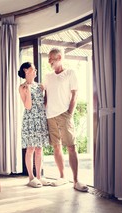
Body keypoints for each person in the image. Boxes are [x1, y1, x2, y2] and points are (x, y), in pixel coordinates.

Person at [43, 48, 88, 192]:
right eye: (49, 59)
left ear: (59, 57)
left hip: (64, 114)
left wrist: (69, 113)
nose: (49, 61)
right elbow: (45, 96)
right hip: (50, 115)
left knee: (71, 146)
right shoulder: (48, 76)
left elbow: (75, 95)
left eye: (52, 58)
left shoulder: (70, 73)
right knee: (56, 146)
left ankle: (76, 180)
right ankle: (62, 176)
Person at [18, 62, 52, 188]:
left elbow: (44, 103)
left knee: (39, 149)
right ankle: (31, 177)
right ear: (26, 71)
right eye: (33, 68)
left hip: (41, 119)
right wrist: (28, 91)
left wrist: (46, 93)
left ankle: (39, 176)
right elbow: (28, 106)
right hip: (30, 120)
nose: (36, 70)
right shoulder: (22, 87)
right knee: (30, 148)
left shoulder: (40, 86)